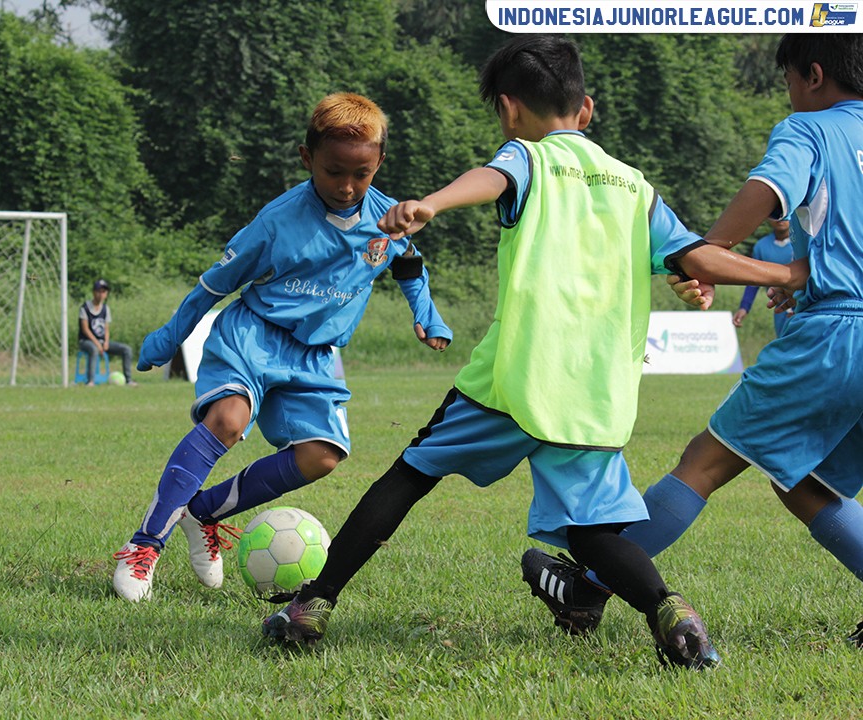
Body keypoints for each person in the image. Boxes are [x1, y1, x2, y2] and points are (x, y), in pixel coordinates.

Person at [260, 36, 797, 669]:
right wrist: (787, 275)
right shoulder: (634, 187)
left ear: (509, 109)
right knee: (591, 533)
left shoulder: (530, 157)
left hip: (513, 381)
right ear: (586, 108)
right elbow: (700, 258)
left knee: (410, 475)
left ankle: (313, 605)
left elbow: (494, 178)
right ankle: (671, 612)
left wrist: (433, 202)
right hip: (594, 395)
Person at [523, 33, 863, 649]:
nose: (788, 94)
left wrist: (708, 253)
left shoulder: (809, 129)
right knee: (807, 483)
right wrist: (818, 280)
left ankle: (590, 584)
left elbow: (769, 191)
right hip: (842, 318)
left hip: (836, 339)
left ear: (813, 75)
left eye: (788, 80)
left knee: (704, 462)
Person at [112, 93, 452, 602]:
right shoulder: (276, 221)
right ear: (306, 157)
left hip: (316, 356)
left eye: (361, 174)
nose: (346, 186)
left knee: (322, 456)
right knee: (227, 421)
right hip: (253, 335)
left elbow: (408, 262)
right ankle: (143, 546)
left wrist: (426, 313)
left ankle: (202, 513)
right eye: (333, 171)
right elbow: (214, 284)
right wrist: (170, 335)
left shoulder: (389, 217)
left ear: (379, 162)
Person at [733, 219, 794, 336]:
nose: (780, 218)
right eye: (775, 214)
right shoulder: (761, 246)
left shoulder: (803, 243)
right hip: (781, 310)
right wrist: (744, 307)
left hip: (805, 308)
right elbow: (754, 280)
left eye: (785, 214)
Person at [79, 278, 137, 386]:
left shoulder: (105, 309)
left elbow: (106, 328)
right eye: (99, 291)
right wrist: (97, 343)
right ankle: (90, 381)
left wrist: (105, 342)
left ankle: (128, 380)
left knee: (126, 349)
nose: (101, 294)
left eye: (104, 291)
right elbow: (85, 329)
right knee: (94, 349)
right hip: (86, 341)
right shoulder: (85, 308)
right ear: (94, 292)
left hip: (102, 342)